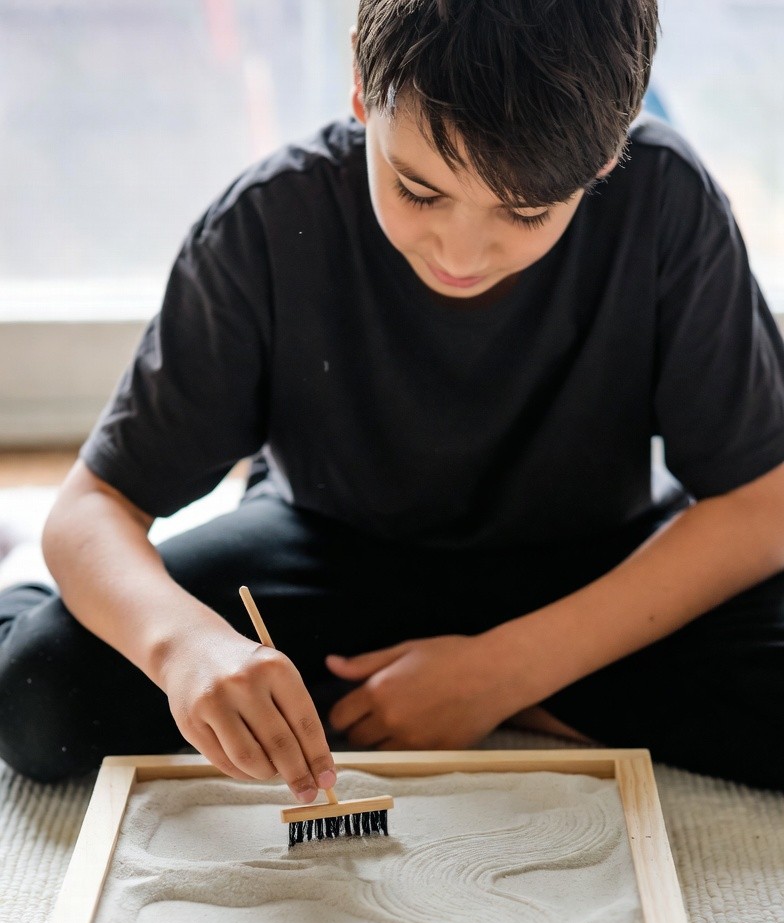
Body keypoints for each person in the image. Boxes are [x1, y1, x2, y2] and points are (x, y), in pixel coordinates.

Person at [1, 0, 783, 795]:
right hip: (331, 556)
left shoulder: (669, 200)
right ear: (359, 87)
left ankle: (488, 693)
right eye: (418, 190)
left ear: (609, 151)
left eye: (525, 212)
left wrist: (506, 673)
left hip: (588, 571)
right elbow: (91, 506)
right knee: (38, 695)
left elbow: (762, 503)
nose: (460, 252)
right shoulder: (271, 219)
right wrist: (189, 649)